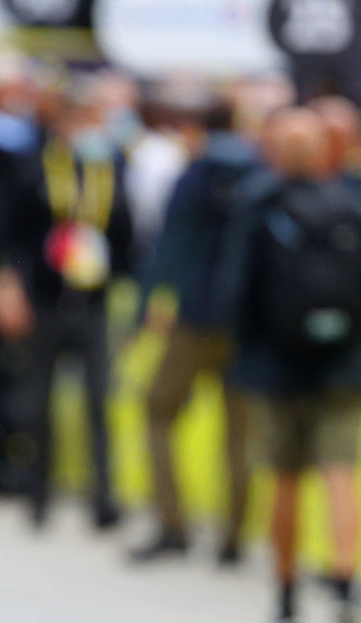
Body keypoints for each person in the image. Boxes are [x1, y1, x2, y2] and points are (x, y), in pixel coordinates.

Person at [218, 107, 361, 623]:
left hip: (276, 363)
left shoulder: (259, 203)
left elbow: (236, 288)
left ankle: (285, 594)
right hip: (343, 363)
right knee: (340, 473)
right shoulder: (351, 204)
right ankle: (345, 581)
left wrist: (244, 352)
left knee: (285, 479)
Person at [0, 76, 134, 529]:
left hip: (92, 301)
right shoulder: (33, 166)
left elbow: (124, 235)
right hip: (44, 300)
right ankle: (38, 496)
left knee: (98, 401)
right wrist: (8, 287)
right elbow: (7, 234)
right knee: (39, 402)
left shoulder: (110, 167)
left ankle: (104, 498)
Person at [130, 98, 258, 564]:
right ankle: (234, 537)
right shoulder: (259, 175)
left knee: (157, 412)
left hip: (195, 319)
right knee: (238, 434)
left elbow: (171, 247)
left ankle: (172, 524)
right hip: (244, 324)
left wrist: (145, 307)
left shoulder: (196, 175)